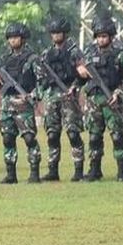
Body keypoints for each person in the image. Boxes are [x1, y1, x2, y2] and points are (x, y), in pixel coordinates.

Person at [0, 23, 42, 184]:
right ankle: (11, 174)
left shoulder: (32, 59)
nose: (12, 40)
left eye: (15, 37)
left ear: (23, 39)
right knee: (8, 138)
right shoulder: (4, 59)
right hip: (7, 103)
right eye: (10, 38)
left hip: (24, 102)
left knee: (29, 138)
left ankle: (34, 172)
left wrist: (33, 96)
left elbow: (43, 81)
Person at [76, 16, 123, 182]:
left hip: (112, 99)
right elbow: (81, 78)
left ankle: (122, 171)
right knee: (94, 137)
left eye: (104, 36)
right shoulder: (89, 54)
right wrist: (81, 72)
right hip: (94, 100)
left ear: (111, 36)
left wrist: (118, 93)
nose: (101, 39)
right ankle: (95, 170)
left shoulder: (120, 55)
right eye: (98, 36)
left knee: (118, 136)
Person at [37, 18, 84, 182]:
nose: (56, 36)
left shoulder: (74, 52)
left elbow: (83, 73)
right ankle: (53, 170)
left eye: (58, 33)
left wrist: (75, 86)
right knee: (52, 134)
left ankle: (78, 169)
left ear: (64, 33)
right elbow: (40, 75)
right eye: (53, 33)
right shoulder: (46, 54)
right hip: (51, 96)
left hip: (68, 94)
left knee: (73, 133)